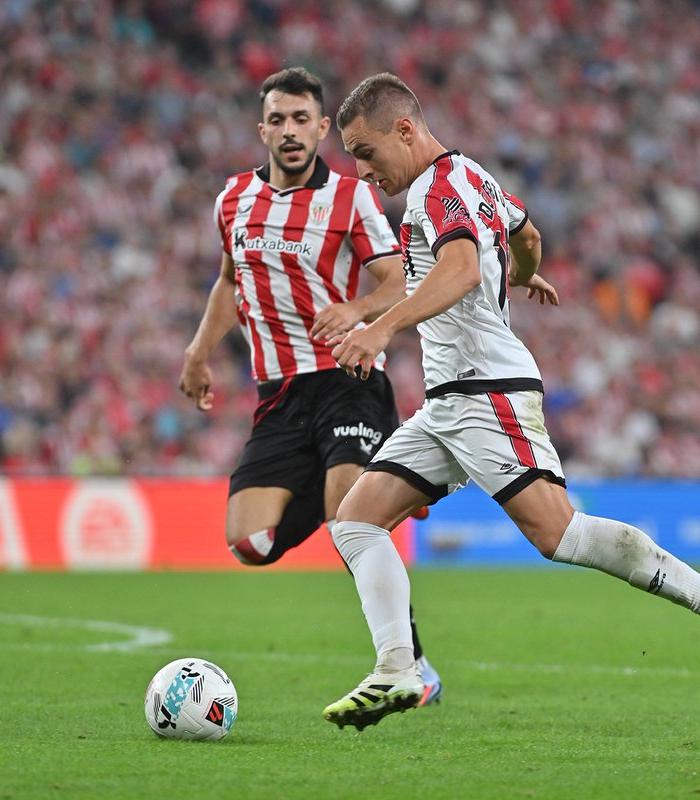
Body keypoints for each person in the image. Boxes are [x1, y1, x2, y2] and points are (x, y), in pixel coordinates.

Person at [319, 73, 700, 731]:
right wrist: (522, 270)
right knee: (355, 520)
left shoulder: (438, 191)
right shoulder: (473, 179)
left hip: (488, 391)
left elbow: (457, 270)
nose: (363, 171)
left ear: (404, 129)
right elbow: (527, 232)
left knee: (559, 534)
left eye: (367, 153)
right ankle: (400, 667)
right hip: (451, 401)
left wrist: (381, 326)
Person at [178, 67, 442, 706]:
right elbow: (227, 281)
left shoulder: (351, 198)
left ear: (323, 128)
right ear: (261, 128)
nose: (290, 131)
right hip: (279, 394)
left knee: (346, 512)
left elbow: (398, 282)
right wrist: (198, 351)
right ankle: (391, 485)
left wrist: (355, 309)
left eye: (302, 119)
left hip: (348, 380)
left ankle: (412, 663)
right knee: (250, 542)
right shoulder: (233, 199)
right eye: (278, 119)